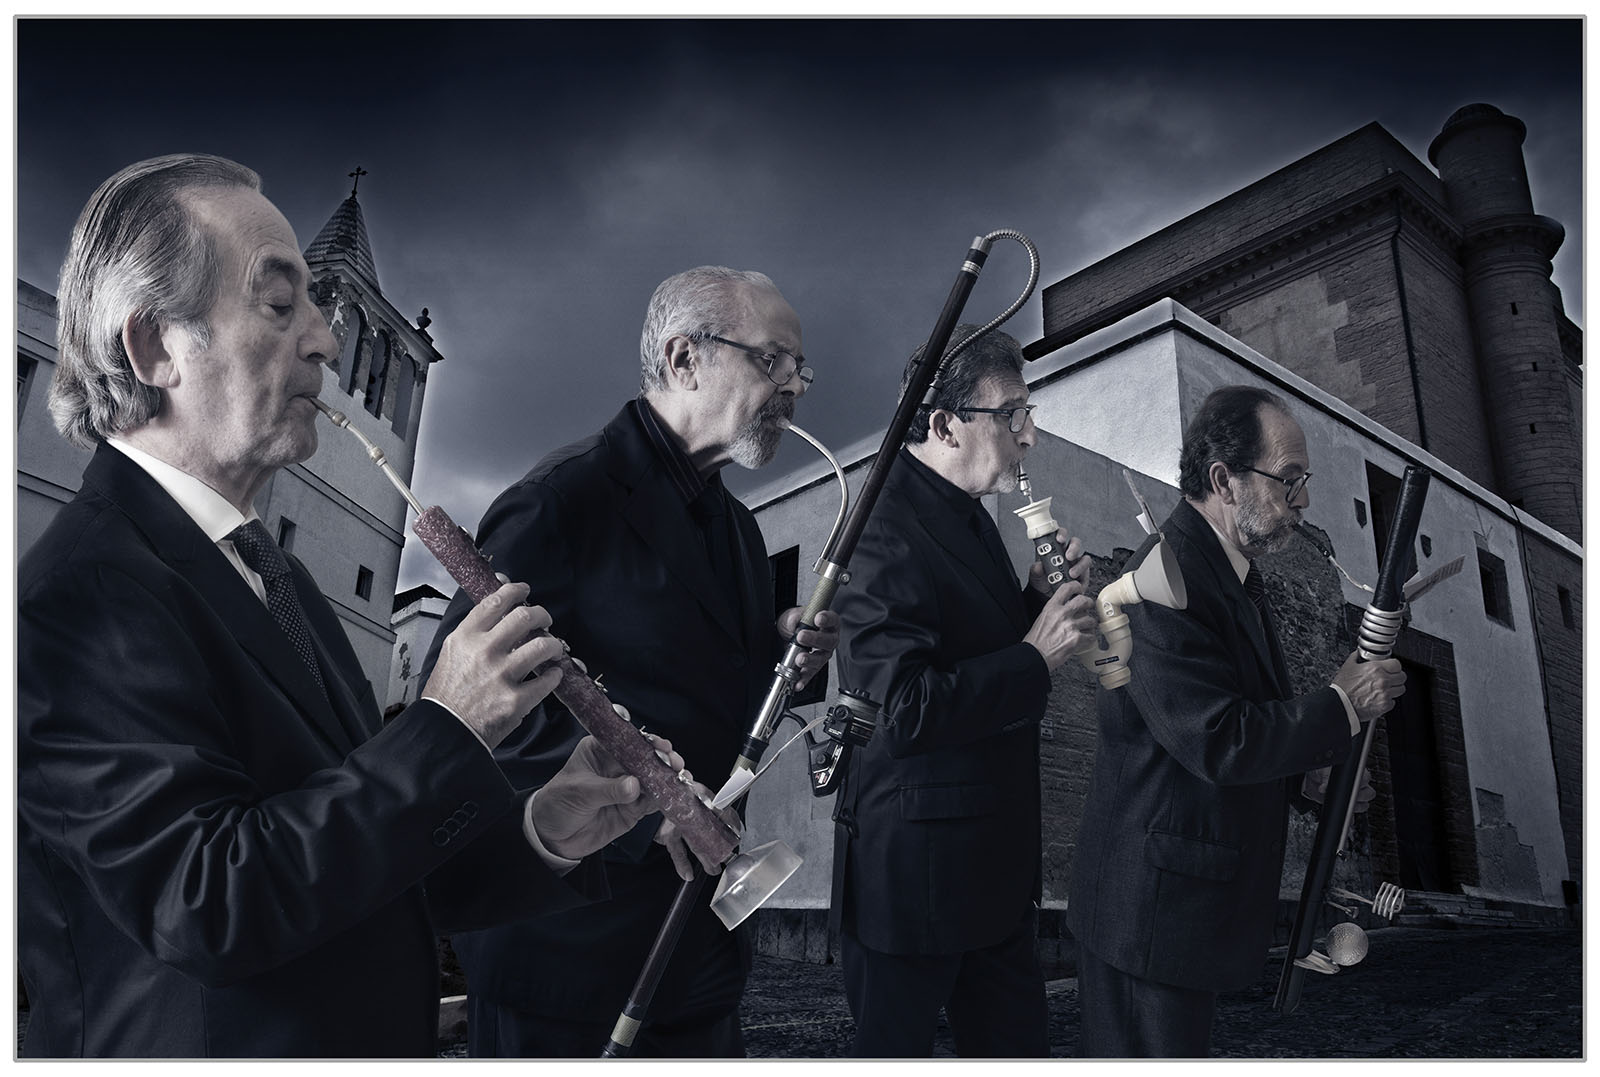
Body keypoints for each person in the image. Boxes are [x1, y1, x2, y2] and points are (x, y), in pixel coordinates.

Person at [17, 154, 673, 1058]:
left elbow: (363, 864)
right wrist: (447, 724)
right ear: (156, 346)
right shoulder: (79, 592)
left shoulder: (276, 577)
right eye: (279, 304)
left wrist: (547, 824)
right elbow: (209, 906)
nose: (326, 341)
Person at [420, 265, 840, 1058]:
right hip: (568, 958)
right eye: (772, 361)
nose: (794, 387)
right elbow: (463, 712)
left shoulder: (740, 529)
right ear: (684, 359)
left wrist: (782, 654)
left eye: (800, 369)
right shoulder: (560, 500)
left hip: (699, 957)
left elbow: (704, 689)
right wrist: (644, 805)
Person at [1067, 385, 1407, 1057]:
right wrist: (1342, 704)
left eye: (1303, 481)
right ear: (1224, 480)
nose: (1302, 501)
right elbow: (1218, 739)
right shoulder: (1162, 579)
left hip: (1181, 912)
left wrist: (1308, 778)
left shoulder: (1232, 575)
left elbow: (1237, 719)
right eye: (1289, 479)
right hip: (1148, 917)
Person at [829, 325, 1099, 1057]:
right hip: (913, 884)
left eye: (1027, 413)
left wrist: (1034, 598)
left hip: (991, 875)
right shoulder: (880, 523)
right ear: (946, 425)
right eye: (1012, 414)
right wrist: (1037, 655)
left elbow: (971, 647)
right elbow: (902, 709)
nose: (1029, 434)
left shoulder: (969, 514)